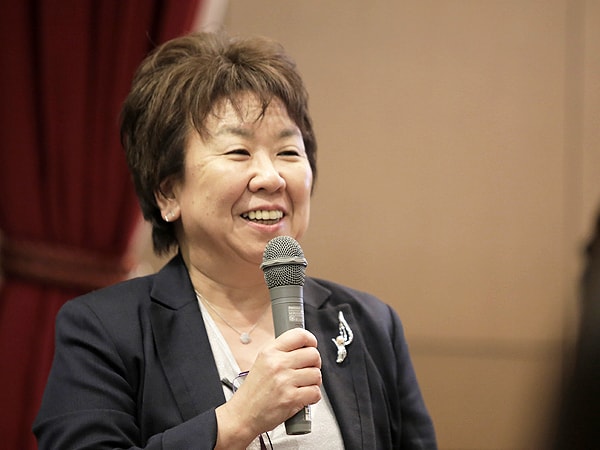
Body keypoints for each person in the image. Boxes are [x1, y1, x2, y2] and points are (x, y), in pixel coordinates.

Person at [33, 31, 437, 449]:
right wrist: (238, 420)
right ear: (168, 193)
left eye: (288, 152)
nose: (271, 177)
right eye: (238, 152)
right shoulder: (103, 329)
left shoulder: (369, 323)